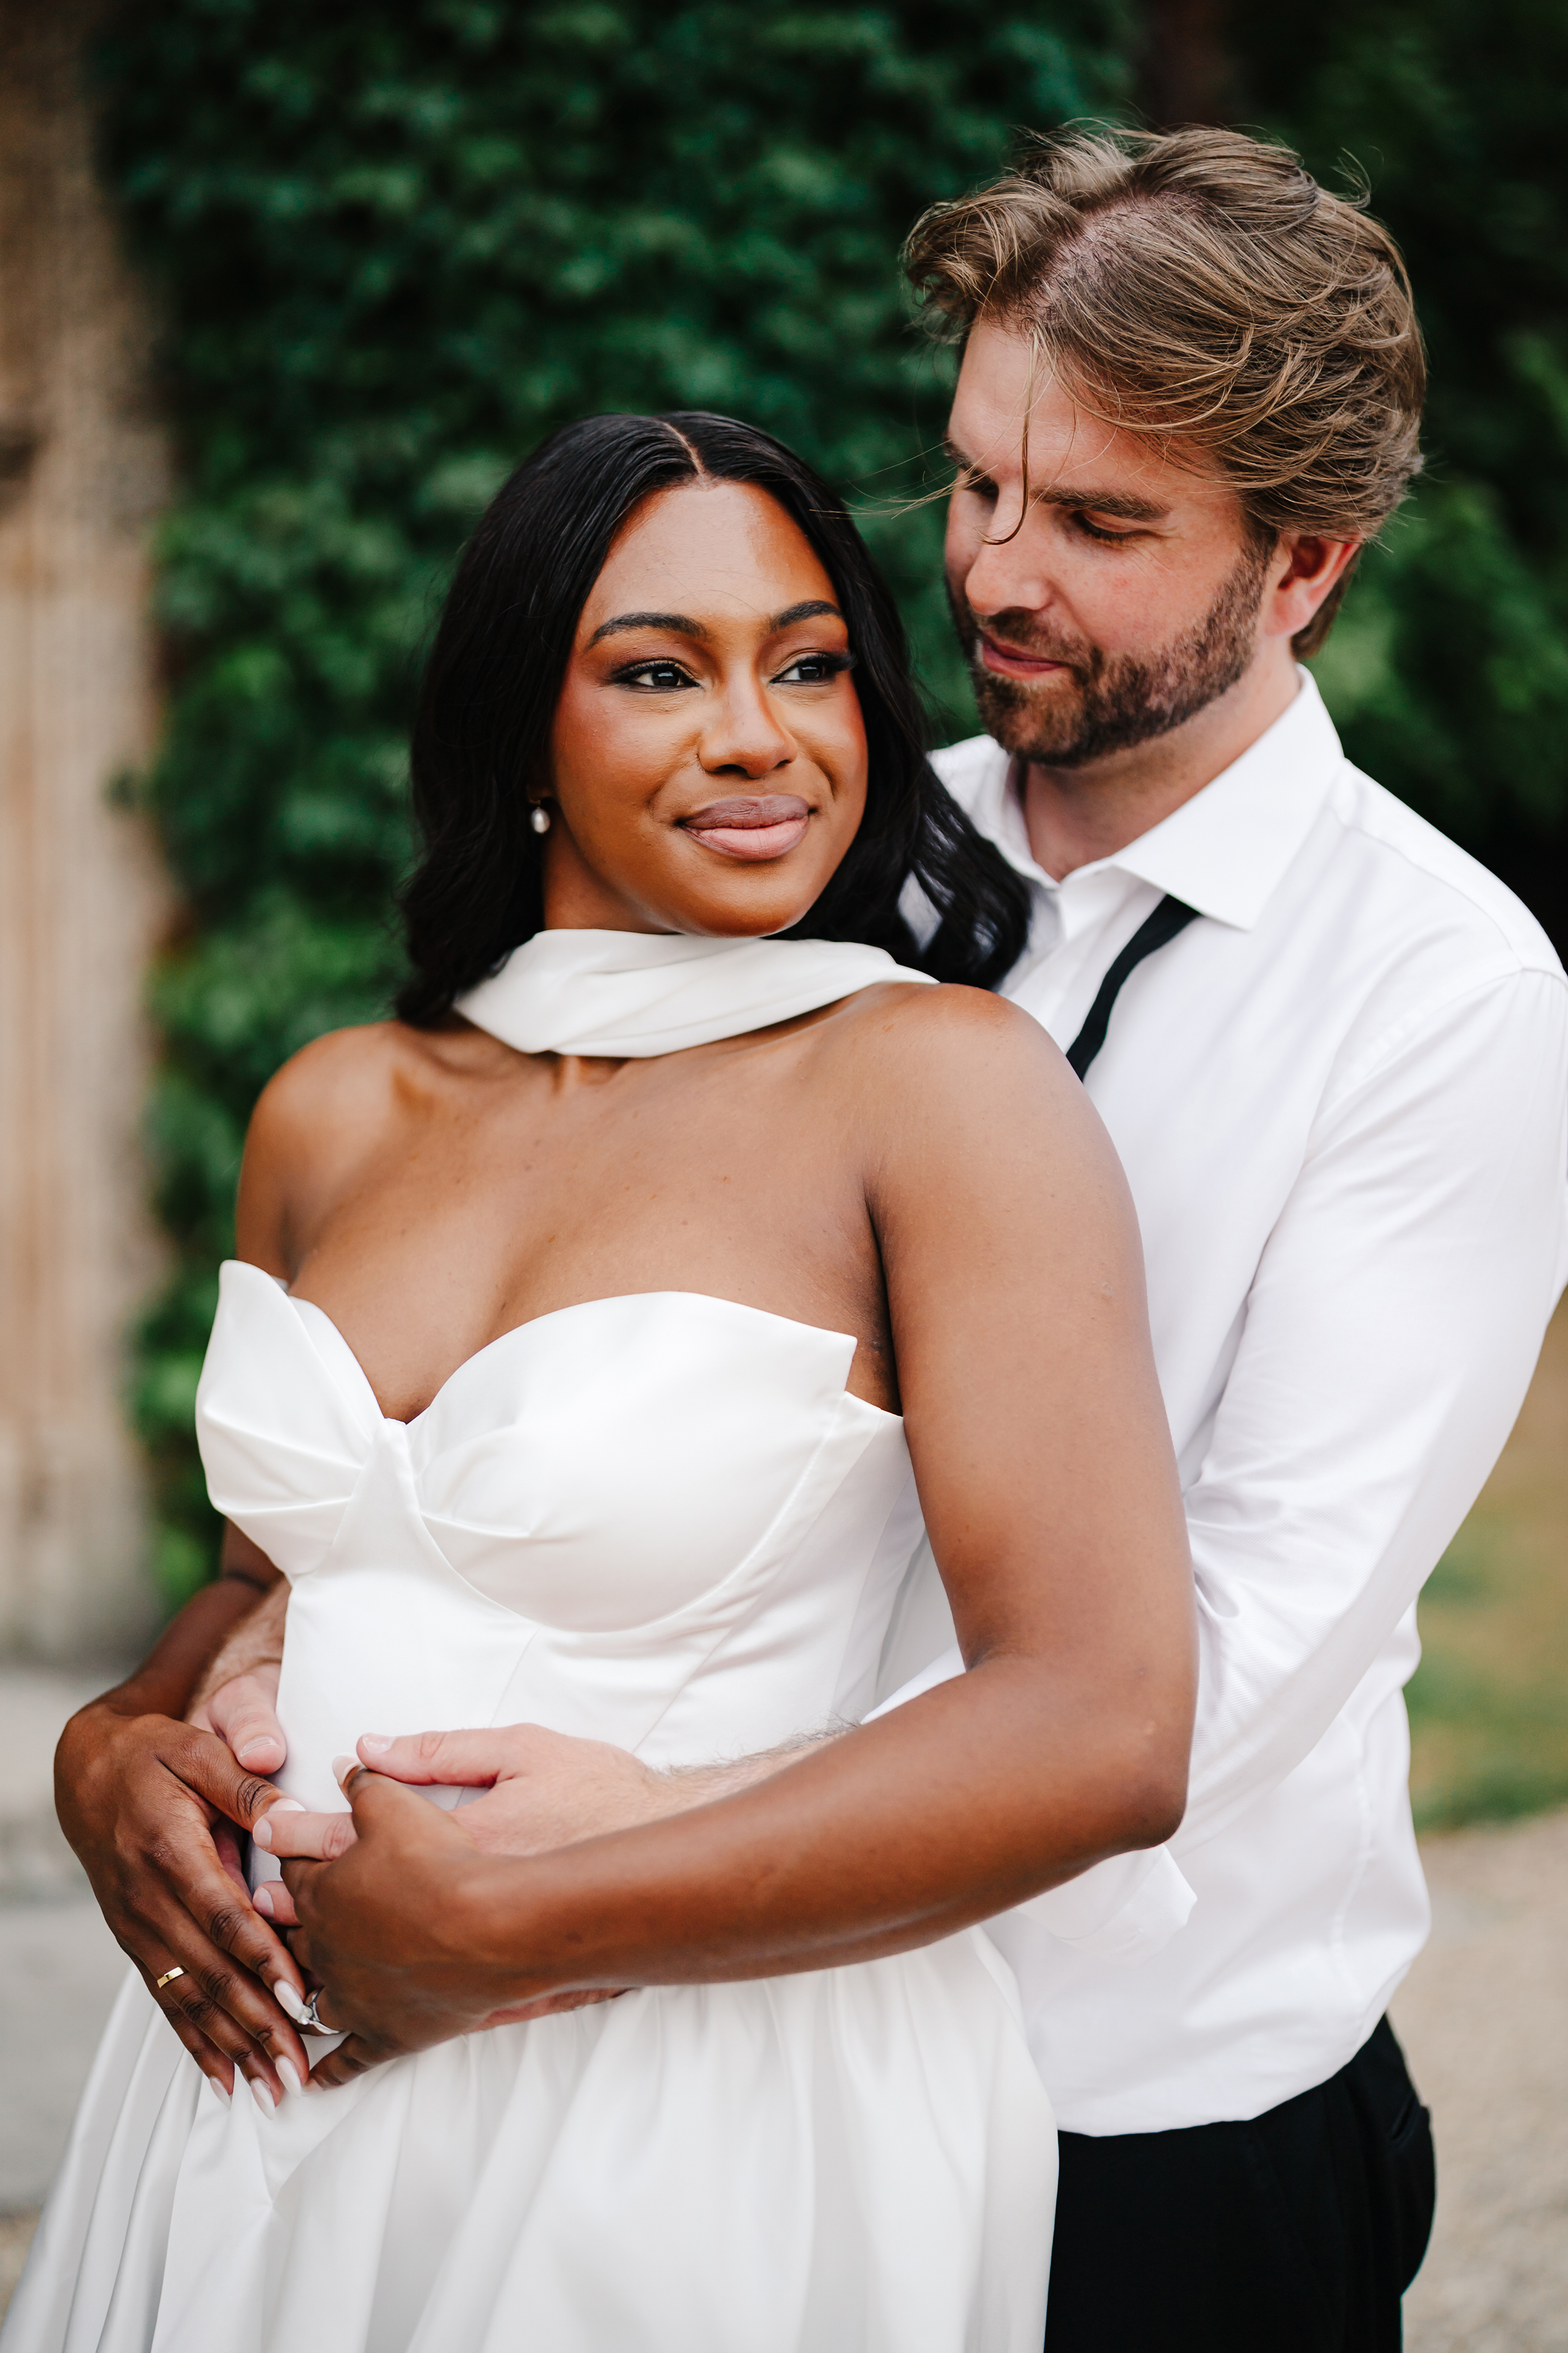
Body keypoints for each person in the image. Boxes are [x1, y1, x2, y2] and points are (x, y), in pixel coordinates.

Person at [39, 122, 1568, 2349]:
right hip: (621, 2096)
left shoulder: (1441, 995)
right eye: (976, 487)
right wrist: (140, 1735)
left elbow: (1218, 1668)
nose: (996, 576)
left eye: (1104, 526)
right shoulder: (832, 832)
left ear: (1308, 562)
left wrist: (581, 1868)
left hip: (1143, 2099)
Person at [7, 410, 1196, 2353]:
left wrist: (510, 1931)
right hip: (249, 2096)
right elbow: (271, 1580)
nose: (759, 735)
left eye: (809, 664)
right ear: (521, 728)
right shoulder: (339, 1107)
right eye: (659, 671)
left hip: (696, 2099)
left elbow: (1105, 1724)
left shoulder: (937, 1090)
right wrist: (111, 1747)